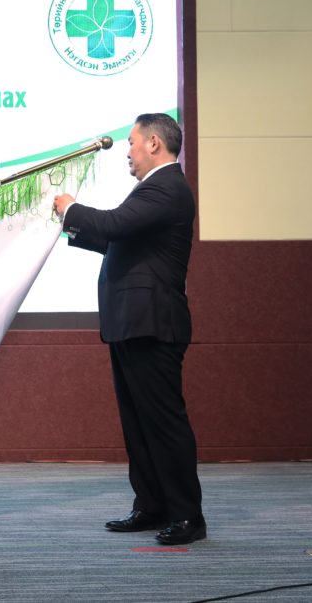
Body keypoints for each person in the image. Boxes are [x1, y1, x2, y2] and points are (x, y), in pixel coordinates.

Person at [53, 113, 204, 545]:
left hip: (152, 324)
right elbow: (114, 239)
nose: (128, 152)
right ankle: (152, 506)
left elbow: (115, 225)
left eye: (132, 143)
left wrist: (71, 208)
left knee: (163, 423)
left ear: (154, 143)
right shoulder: (154, 189)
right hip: (132, 323)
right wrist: (66, 222)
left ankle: (187, 517)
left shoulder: (167, 186)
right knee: (138, 423)